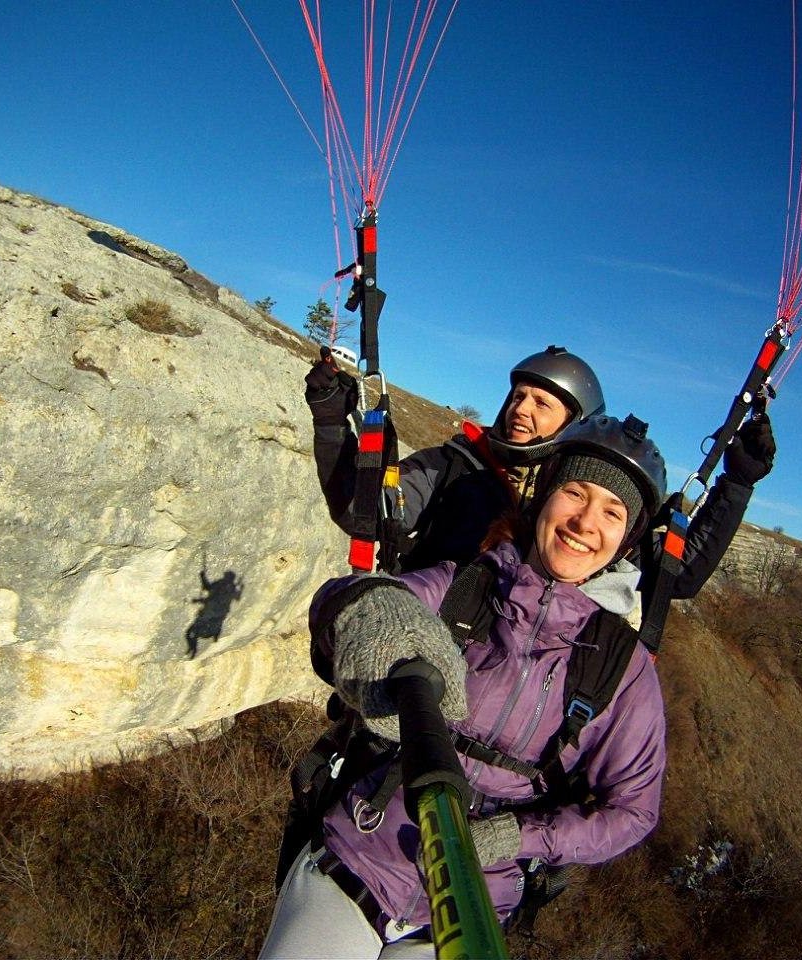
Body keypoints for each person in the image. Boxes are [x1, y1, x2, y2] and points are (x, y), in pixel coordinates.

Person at [260, 414, 669, 959]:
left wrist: (522, 837)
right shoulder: (465, 587)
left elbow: (634, 809)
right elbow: (356, 596)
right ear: (544, 496)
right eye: (575, 492)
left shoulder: (623, 668)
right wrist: (368, 611)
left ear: (626, 538)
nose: (585, 522)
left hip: (473, 900)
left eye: (612, 512)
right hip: (363, 850)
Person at [304, 343, 776, 603]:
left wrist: (735, 484)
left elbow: (678, 574)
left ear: (574, 423)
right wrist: (331, 423)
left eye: (541, 403)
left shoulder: (586, 501)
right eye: (517, 397)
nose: (520, 410)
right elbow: (361, 510)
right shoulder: (453, 466)